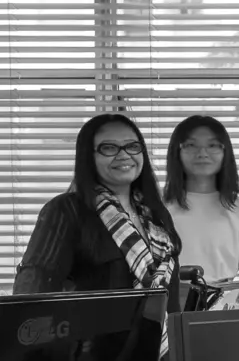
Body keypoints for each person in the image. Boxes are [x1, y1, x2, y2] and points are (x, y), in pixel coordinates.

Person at [15, 114, 178, 297]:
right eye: (108, 148)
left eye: (132, 146)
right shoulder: (66, 211)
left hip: (160, 317)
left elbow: (172, 298)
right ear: (88, 156)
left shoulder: (157, 214)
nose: (124, 155)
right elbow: (32, 291)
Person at [160, 115, 239, 290]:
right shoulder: (158, 204)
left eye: (212, 145)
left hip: (224, 301)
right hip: (170, 299)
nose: (202, 154)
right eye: (191, 145)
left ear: (225, 152)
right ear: (177, 151)